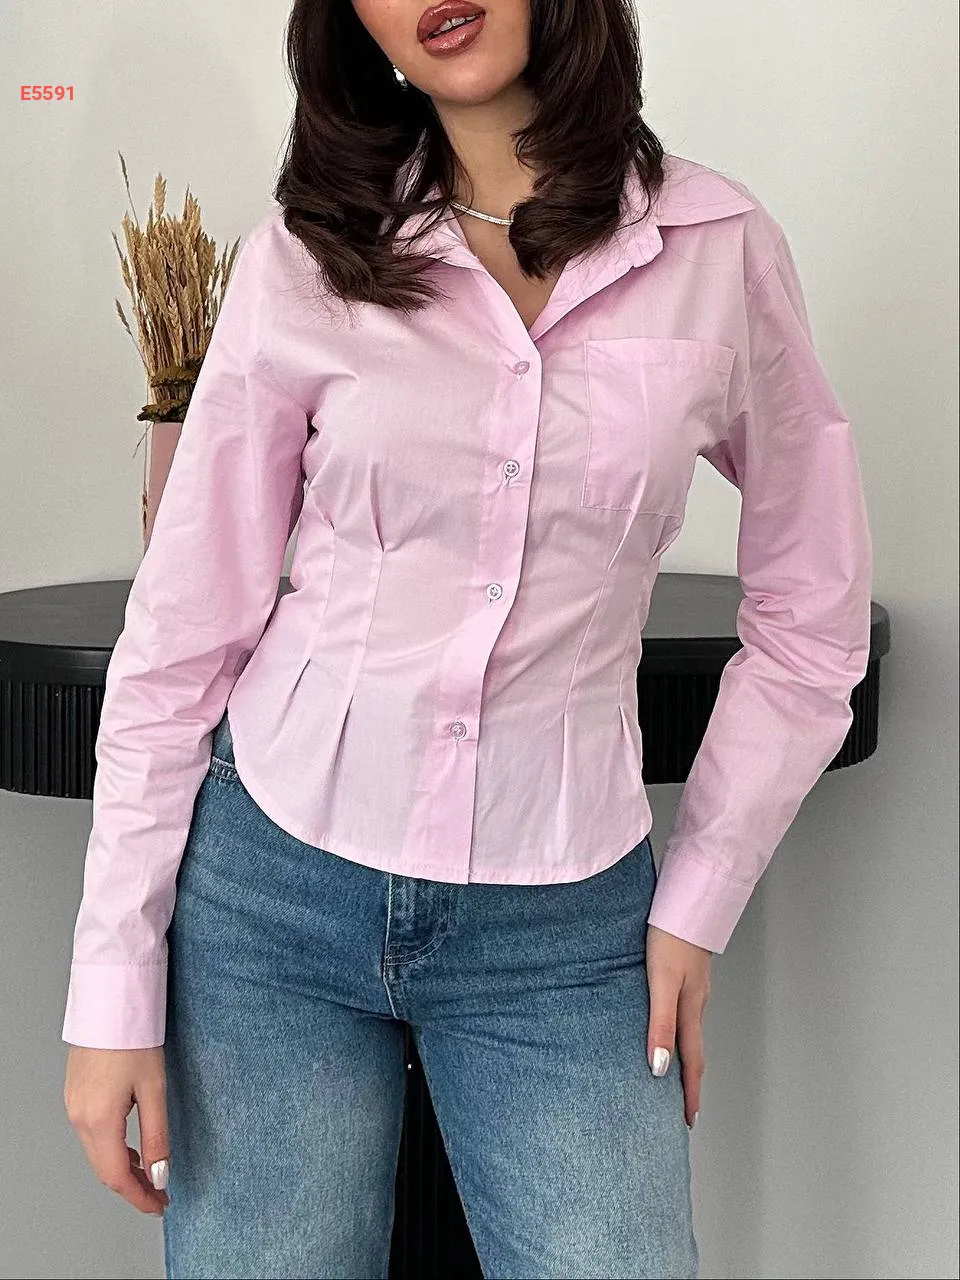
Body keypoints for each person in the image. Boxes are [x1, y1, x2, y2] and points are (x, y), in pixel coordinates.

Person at [61, 1, 874, 1277]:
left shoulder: (718, 250)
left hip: (565, 923)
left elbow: (814, 612)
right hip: (271, 892)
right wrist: (111, 984)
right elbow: (184, 629)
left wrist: (698, 900)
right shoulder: (305, 256)